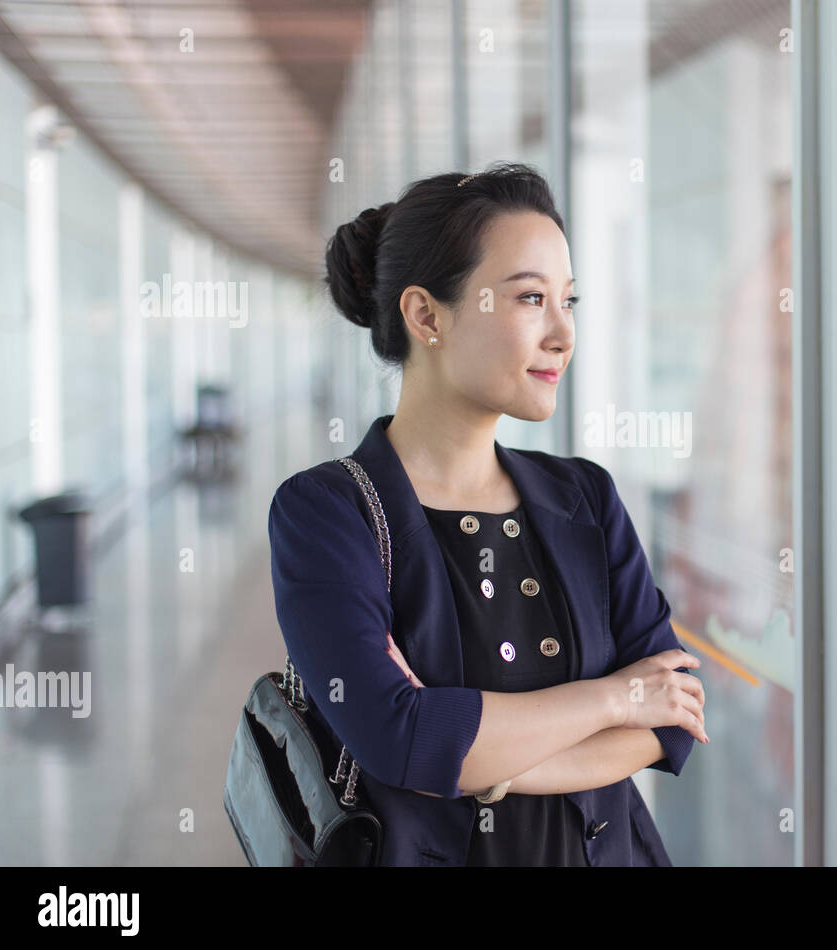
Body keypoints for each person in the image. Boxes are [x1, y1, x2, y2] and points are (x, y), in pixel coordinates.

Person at [268, 162, 707, 866]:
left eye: (570, 301)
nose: (563, 335)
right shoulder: (327, 513)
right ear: (425, 315)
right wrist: (618, 696)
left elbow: (677, 711)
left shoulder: (584, 498)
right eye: (531, 298)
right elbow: (400, 739)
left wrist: (490, 764)